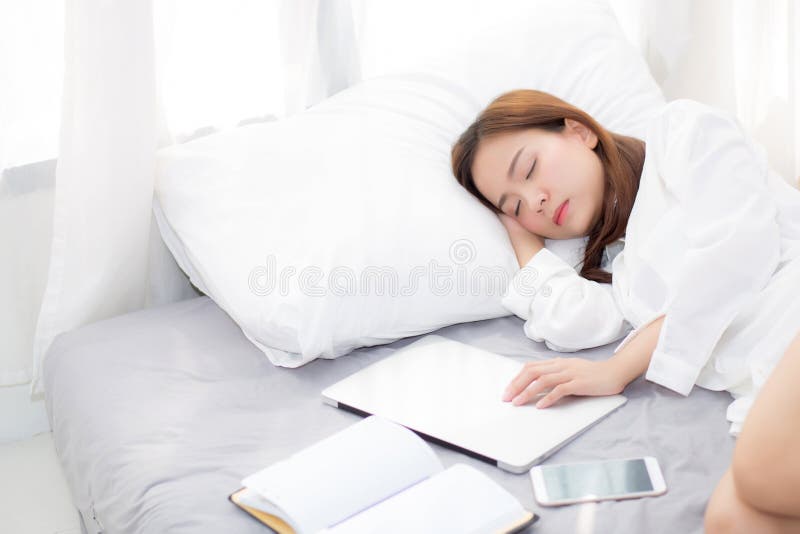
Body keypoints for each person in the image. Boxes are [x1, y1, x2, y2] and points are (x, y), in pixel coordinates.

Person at [451, 89, 800, 532]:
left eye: (530, 169)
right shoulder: (624, 268)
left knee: (757, 476)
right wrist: (518, 234)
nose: (534, 200)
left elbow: (740, 248)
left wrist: (619, 368)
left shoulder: (683, 130)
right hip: (770, 381)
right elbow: (573, 318)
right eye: (517, 204)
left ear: (578, 132)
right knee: (729, 520)